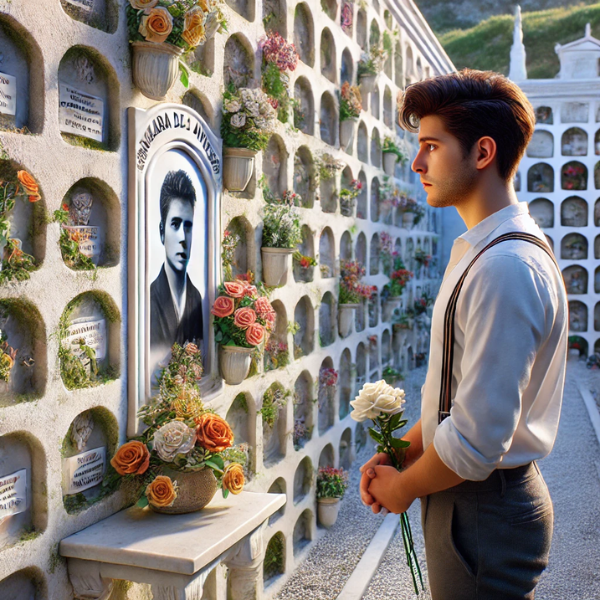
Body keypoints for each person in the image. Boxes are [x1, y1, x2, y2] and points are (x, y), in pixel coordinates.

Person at [360, 69, 568, 600]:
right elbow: (461, 395)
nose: (416, 163)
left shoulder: (505, 266)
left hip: (482, 507)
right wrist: (404, 449)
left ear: (482, 152)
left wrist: (404, 487)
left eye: (431, 145)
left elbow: (476, 440)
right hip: (471, 499)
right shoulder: (486, 249)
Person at [150, 169, 203, 353]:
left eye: (188, 226)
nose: (183, 237)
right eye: (175, 224)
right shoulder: (149, 300)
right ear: (162, 232)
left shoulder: (196, 297)